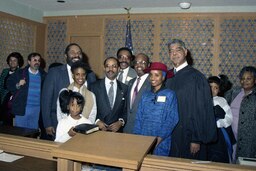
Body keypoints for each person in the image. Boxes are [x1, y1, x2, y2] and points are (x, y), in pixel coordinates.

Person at [165, 39, 217, 160]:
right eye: (171, 51)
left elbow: (202, 110)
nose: (174, 54)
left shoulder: (196, 77)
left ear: (186, 52)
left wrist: (196, 139)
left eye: (178, 50)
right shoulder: (166, 76)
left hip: (188, 135)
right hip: (169, 134)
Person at [41, 43, 96, 140]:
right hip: (57, 123)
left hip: (83, 125)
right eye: (72, 52)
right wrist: (47, 123)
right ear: (66, 56)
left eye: (79, 53)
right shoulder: (54, 72)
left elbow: (93, 102)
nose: (76, 55)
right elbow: (46, 100)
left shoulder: (90, 75)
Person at [133, 62, 179, 156]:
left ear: (163, 77)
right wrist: (137, 136)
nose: (152, 78)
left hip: (161, 141)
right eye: (151, 75)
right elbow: (139, 117)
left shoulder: (170, 94)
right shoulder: (145, 95)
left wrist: (159, 138)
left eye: (157, 75)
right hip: (143, 139)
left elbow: (172, 118)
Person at [7, 52, 46, 129]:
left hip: (36, 109)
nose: (37, 62)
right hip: (22, 107)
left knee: (33, 132)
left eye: (38, 60)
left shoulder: (44, 75)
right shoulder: (20, 73)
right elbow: (8, 85)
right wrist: (18, 85)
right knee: (20, 132)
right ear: (29, 62)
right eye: (34, 60)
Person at [225, 66, 256, 162]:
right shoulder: (233, 93)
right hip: (230, 136)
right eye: (242, 78)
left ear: (255, 80)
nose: (244, 81)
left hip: (249, 140)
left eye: (248, 78)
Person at [89, 57, 127, 132]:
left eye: (114, 66)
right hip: (98, 130)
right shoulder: (94, 87)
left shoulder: (125, 88)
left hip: (117, 132)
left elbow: (126, 111)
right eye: (107, 66)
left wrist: (120, 122)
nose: (110, 69)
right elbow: (89, 108)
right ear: (104, 68)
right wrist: (96, 121)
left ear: (119, 69)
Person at [207, 75, 236, 163]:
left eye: (215, 88)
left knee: (218, 156)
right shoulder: (202, 99)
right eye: (210, 87)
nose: (212, 90)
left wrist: (217, 124)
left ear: (219, 90)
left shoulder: (221, 100)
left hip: (219, 134)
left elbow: (229, 118)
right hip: (205, 132)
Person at [123, 53, 151, 133]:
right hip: (128, 129)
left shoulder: (152, 83)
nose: (139, 65)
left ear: (148, 65)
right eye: (136, 62)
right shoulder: (131, 82)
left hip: (143, 130)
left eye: (143, 62)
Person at [0, 52, 24, 125]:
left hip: (13, 100)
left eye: (15, 60)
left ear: (18, 62)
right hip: (2, 98)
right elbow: (1, 84)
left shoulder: (21, 72)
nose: (12, 62)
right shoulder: (5, 71)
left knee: (8, 122)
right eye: (10, 60)